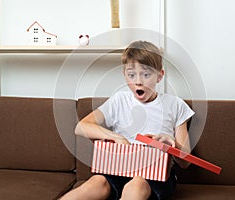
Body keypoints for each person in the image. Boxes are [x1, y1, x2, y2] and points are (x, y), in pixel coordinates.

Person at [61, 40, 195, 200]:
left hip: (155, 177)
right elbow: (81, 127)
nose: (138, 81)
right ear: (124, 75)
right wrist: (115, 136)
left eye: (146, 74)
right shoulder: (119, 100)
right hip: (118, 170)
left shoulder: (175, 105)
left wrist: (171, 145)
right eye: (132, 75)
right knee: (96, 182)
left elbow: (186, 162)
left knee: (136, 185)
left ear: (159, 76)